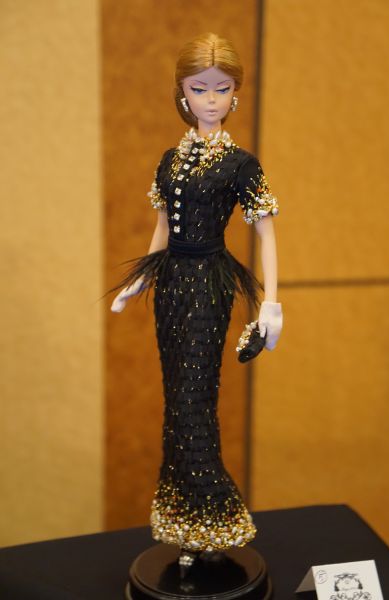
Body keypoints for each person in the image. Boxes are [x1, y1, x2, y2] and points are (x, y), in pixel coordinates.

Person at [111, 32, 282, 571]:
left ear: (236, 93)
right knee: (175, 402)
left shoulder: (241, 165)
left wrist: (271, 305)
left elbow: (266, 233)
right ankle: (185, 524)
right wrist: (139, 278)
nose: (211, 99)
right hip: (170, 284)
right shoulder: (170, 159)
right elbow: (162, 227)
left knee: (194, 401)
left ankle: (215, 519)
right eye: (199, 88)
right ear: (182, 93)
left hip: (209, 284)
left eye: (221, 88)